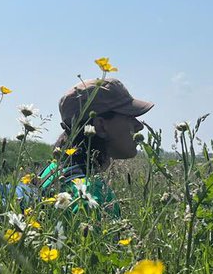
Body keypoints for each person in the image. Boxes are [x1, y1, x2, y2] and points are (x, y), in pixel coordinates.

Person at [36, 78, 154, 216]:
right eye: (129, 117)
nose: (139, 126)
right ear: (101, 126)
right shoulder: (93, 195)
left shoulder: (52, 170)